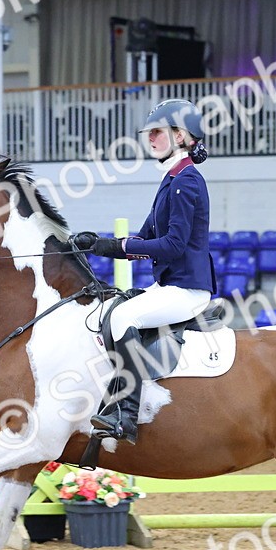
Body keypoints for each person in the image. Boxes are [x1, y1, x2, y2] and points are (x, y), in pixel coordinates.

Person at [73, 99, 215, 444]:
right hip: (170, 285)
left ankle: (126, 413)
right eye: (149, 133)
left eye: (157, 132)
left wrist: (119, 246)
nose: (149, 139)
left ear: (181, 136)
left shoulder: (186, 182)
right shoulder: (172, 179)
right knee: (112, 310)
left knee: (123, 320)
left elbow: (172, 246)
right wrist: (99, 244)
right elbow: (143, 239)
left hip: (187, 290)